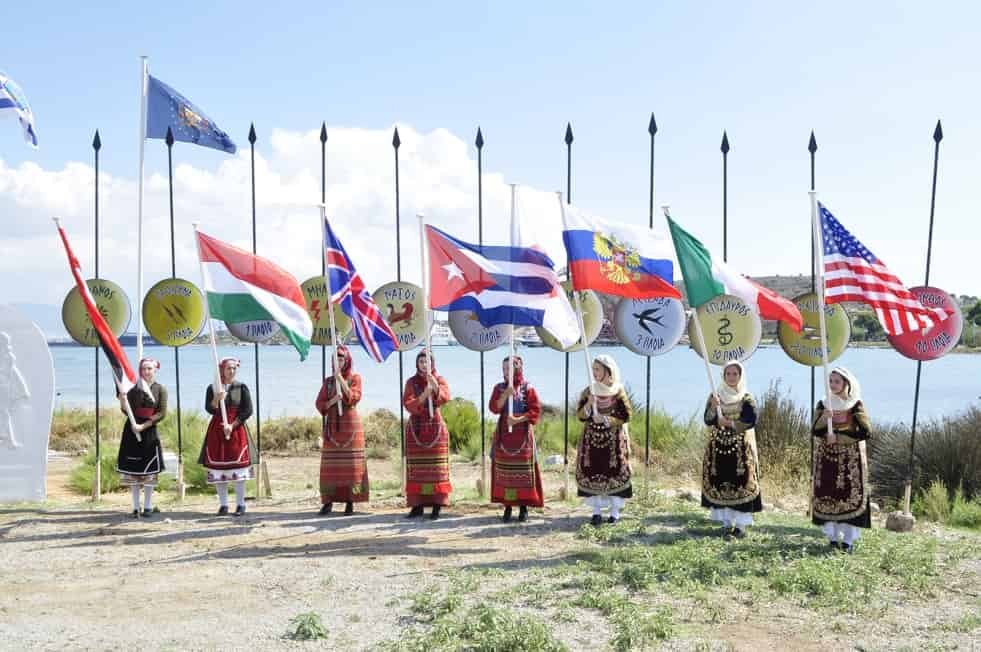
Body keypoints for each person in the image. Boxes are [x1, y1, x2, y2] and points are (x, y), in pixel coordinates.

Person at [812, 367, 872, 553]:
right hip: (827, 458)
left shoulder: (855, 405)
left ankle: (847, 541)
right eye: (831, 381)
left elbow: (865, 431)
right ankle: (832, 537)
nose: (833, 385)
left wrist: (839, 438)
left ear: (846, 383)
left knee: (847, 494)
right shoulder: (824, 404)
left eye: (837, 381)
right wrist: (824, 419)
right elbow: (815, 430)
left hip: (850, 459)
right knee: (829, 494)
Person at [701, 361, 762, 538]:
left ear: (741, 376)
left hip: (740, 449)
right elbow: (707, 419)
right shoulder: (715, 396)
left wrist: (729, 423)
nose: (732, 377)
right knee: (721, 479)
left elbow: (751, 420)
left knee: (741, 482)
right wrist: (713, 408)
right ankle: (726, 521)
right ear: (723, 376)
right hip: (719, 447)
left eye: (735, 374)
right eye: (728, 374)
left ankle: (741, 525)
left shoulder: (746, 398)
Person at [576, 354, 632, 526]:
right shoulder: (589, 390)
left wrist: (607, 419)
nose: (594, 373)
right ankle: (596, 512)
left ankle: (614, 513)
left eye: (597, 369)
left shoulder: (618, 390)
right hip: (592, 440)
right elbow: (580, 415)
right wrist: (588, 405)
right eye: (593, 369)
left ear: (608, 372)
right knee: (593, 471)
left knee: (613, 472)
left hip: (613, 441)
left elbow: (627, 415)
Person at [489, 355, 543, 522]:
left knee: (523, 472)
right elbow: (494, 408)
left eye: (509, 368)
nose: (506, 372)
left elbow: (535, 411)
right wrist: (505, 394)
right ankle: (507, 506)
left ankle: (523, 507)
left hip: (523, 435)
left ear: (518, 368)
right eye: (504, 368)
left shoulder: (528, 388)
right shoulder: (499, 388)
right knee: (505, 472)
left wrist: (518, 419)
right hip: (504, 435)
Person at [315, 345, 368, 516]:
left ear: (347, 361)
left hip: (350, 427)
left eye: (341, 359)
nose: (338, 362)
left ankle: (350, 502)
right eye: (335, 359)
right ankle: (328, 502)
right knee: (331, 467)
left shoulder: (355, 378)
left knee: (351, 467)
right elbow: (319, 404)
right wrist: (332, 401)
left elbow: (354, 397)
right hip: (332, 427)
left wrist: (342, 382)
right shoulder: (328, 382)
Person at [402, 350, 451, 519]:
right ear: (417, 364)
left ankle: (437, 505)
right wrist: (424, 394)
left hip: (435, 426)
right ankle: (417, 506)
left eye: (427, 362)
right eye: (421, 361)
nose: (424, 365)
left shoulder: (440, 379)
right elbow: (408, 404)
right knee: (417, 469)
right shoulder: (411, 382)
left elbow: (445, 397)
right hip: (416, 427)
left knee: (436, 469)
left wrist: (434, 386)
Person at [201, 357, 253, 516]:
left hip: (236, 430)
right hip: (217, 430)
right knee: (219, 470)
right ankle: (223, 505)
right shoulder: (213, 388)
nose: (231, 371)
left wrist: (233, 425)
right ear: (222, 370)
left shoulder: (241, 387)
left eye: (234, 368)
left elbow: (247, 410)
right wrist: (217, 398)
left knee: (238, 469)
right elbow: (209, 409)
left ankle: (240, 504)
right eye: (228, 368)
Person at [117, 358, 167, 518]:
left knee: (149, 471)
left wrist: (144, 426)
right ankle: (135, 506)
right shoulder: (133, 388)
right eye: (144, 369)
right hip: (132, 430)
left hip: (149, 431)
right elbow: (127, 410)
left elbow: (161, 413)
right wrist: (123, 402)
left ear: (155, 370)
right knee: (134, 471)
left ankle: (148, 506)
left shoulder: (161, 389)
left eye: (149, 369)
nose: (146, 372)